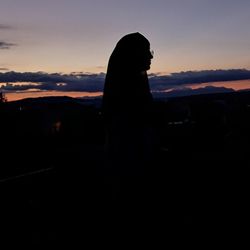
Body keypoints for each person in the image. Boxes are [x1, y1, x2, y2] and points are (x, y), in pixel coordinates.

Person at [102, 32, 155, 176]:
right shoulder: (125, 108)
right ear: (134, 54)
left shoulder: (135, 84)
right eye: (147, 51)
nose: (151, 56)